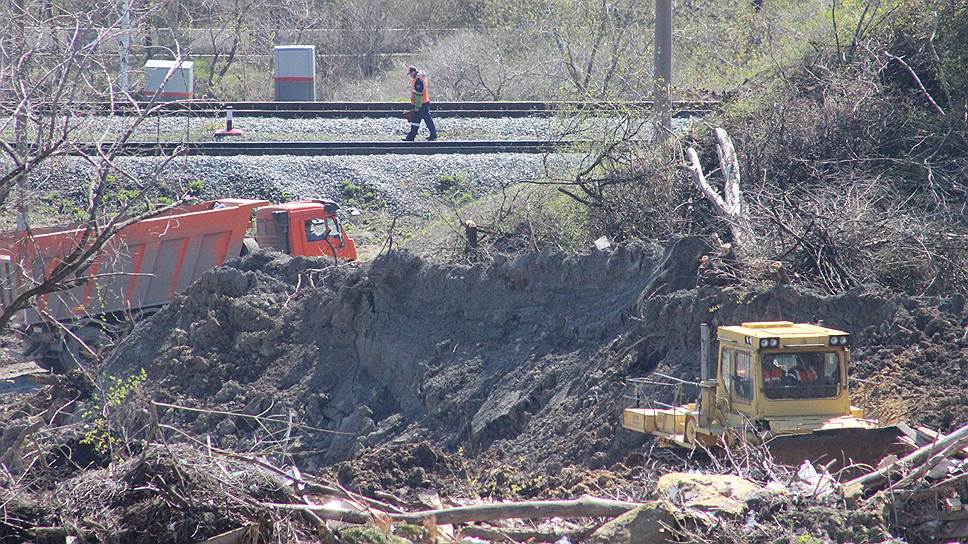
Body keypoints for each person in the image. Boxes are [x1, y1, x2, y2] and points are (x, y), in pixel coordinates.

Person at [404, 66, 438, 141]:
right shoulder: (420, 78)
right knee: (428, 119)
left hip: (421, 103)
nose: (410, 75)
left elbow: (419, 95)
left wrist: (417, 107)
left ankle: (410, 137)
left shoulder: (418, 80)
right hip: (425, 102)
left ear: (414, 72)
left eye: (410, 73)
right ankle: (433, 134)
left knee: (416, 120)